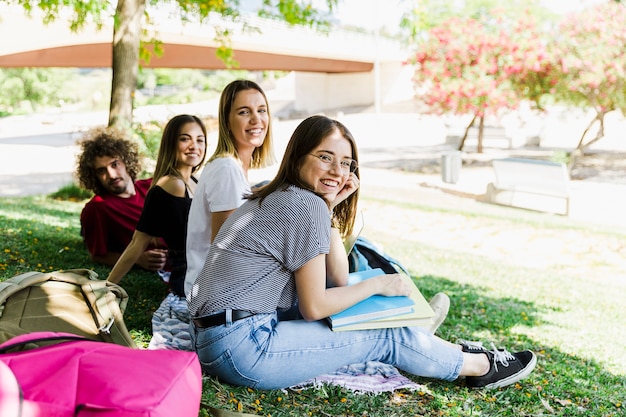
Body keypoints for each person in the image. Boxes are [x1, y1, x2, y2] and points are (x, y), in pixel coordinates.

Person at [188, 115, 536, 390]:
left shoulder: (280, 196)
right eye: (325, 158)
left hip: (221, 338)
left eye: (346, 163)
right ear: (298, 157)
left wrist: (329, 208)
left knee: (357, 314)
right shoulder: (301, 205)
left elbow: (337, 279)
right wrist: (379, 285)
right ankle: (480, 367)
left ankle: (432, 344)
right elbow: (316, 306)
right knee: (384, 334)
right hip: (244, 349)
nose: (337, 172)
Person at [185, 79, 275, 297]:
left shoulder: (235, 168)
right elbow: (225, 251)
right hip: (217, 297)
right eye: (244, 112)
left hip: (225, 288)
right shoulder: (226, 169)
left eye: (261, 110)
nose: (257, 119)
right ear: (226, 121)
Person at [107, 114, 206, 298]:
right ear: (171, 143)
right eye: (185, 139)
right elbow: (137, 243)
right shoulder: (171, 185)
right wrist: (107, 287)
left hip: (205, 270)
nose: (194, 146)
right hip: (189, 280)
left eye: (200, 140)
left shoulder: (195, 182)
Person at [76, 128, 167, 271]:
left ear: (126, 162)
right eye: (101, 171)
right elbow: (98, 255)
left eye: (115, 164)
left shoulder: (154, 186)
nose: (111, 175)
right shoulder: (97, 208)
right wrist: (137, 259)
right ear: (95, 177)